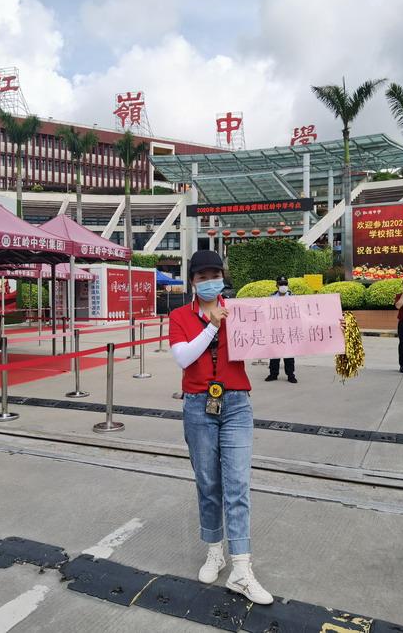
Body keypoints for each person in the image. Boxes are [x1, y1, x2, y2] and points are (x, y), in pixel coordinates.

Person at [168, 250, 273, 605]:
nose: (210, 282)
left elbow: (268, 340)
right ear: (192, 282)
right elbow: (183, 357)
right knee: (208, 483)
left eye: (215, 275)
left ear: (222, 278)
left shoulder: (240, 312)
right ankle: (215, 551)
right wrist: (213, 325)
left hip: (237, 404)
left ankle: (242, 567)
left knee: (238, 484)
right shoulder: (179, 316)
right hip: (198, 405)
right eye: (202, 277)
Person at [264, 275, 296, 384]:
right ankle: (273, 374)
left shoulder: (292, 297)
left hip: (288, 328)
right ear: (276, 285)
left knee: (289, 353)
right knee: (274, 353)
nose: (283, 286)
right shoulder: (271, 297)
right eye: (281, 284)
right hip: (275, 328)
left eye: (285, 284)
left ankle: (290, 375)